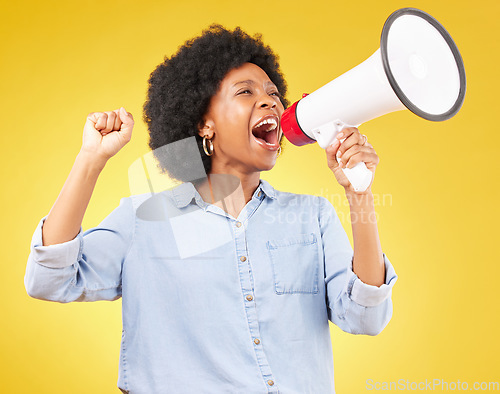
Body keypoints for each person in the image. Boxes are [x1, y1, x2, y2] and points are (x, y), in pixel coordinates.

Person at [24, 25, 397, 393]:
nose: (269, 101)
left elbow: (367, 317)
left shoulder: (312, 217)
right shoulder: (144, 219)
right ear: (205, 123)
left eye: (272, 93)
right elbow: (49, 279)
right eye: (245, 92)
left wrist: (358, 194)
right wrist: (91, 159)